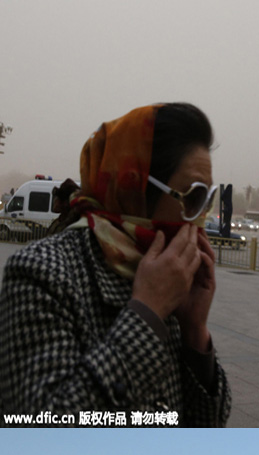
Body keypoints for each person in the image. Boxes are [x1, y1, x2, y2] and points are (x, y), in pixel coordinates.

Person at [0, 102, 231, 427]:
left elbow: (204, 425)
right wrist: (147, 312)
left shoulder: (168, 275)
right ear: (133, 186)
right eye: (193, 198)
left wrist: (196, 333)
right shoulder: (41, 272)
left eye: (208, 200)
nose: (201, 218)